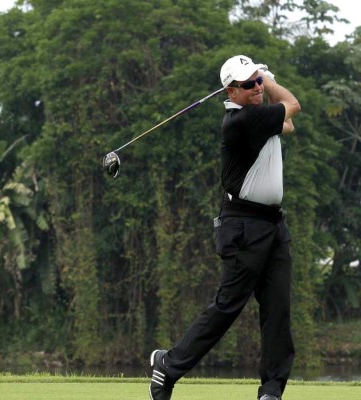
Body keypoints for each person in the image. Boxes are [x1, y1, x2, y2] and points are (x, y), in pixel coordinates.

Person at [148, 55, 301, 400]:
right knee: (227, 306)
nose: (257, 87)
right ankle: (167, 367)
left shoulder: (259, 116)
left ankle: (271, 392)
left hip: (273, 225)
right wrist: (269, 78)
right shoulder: (241, 120)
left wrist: (264, 84)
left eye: (257, 82)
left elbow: (287, 123)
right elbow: (293, 106)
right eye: (249, 84)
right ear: (231, 92)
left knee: (277, 309)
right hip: (244, 227)